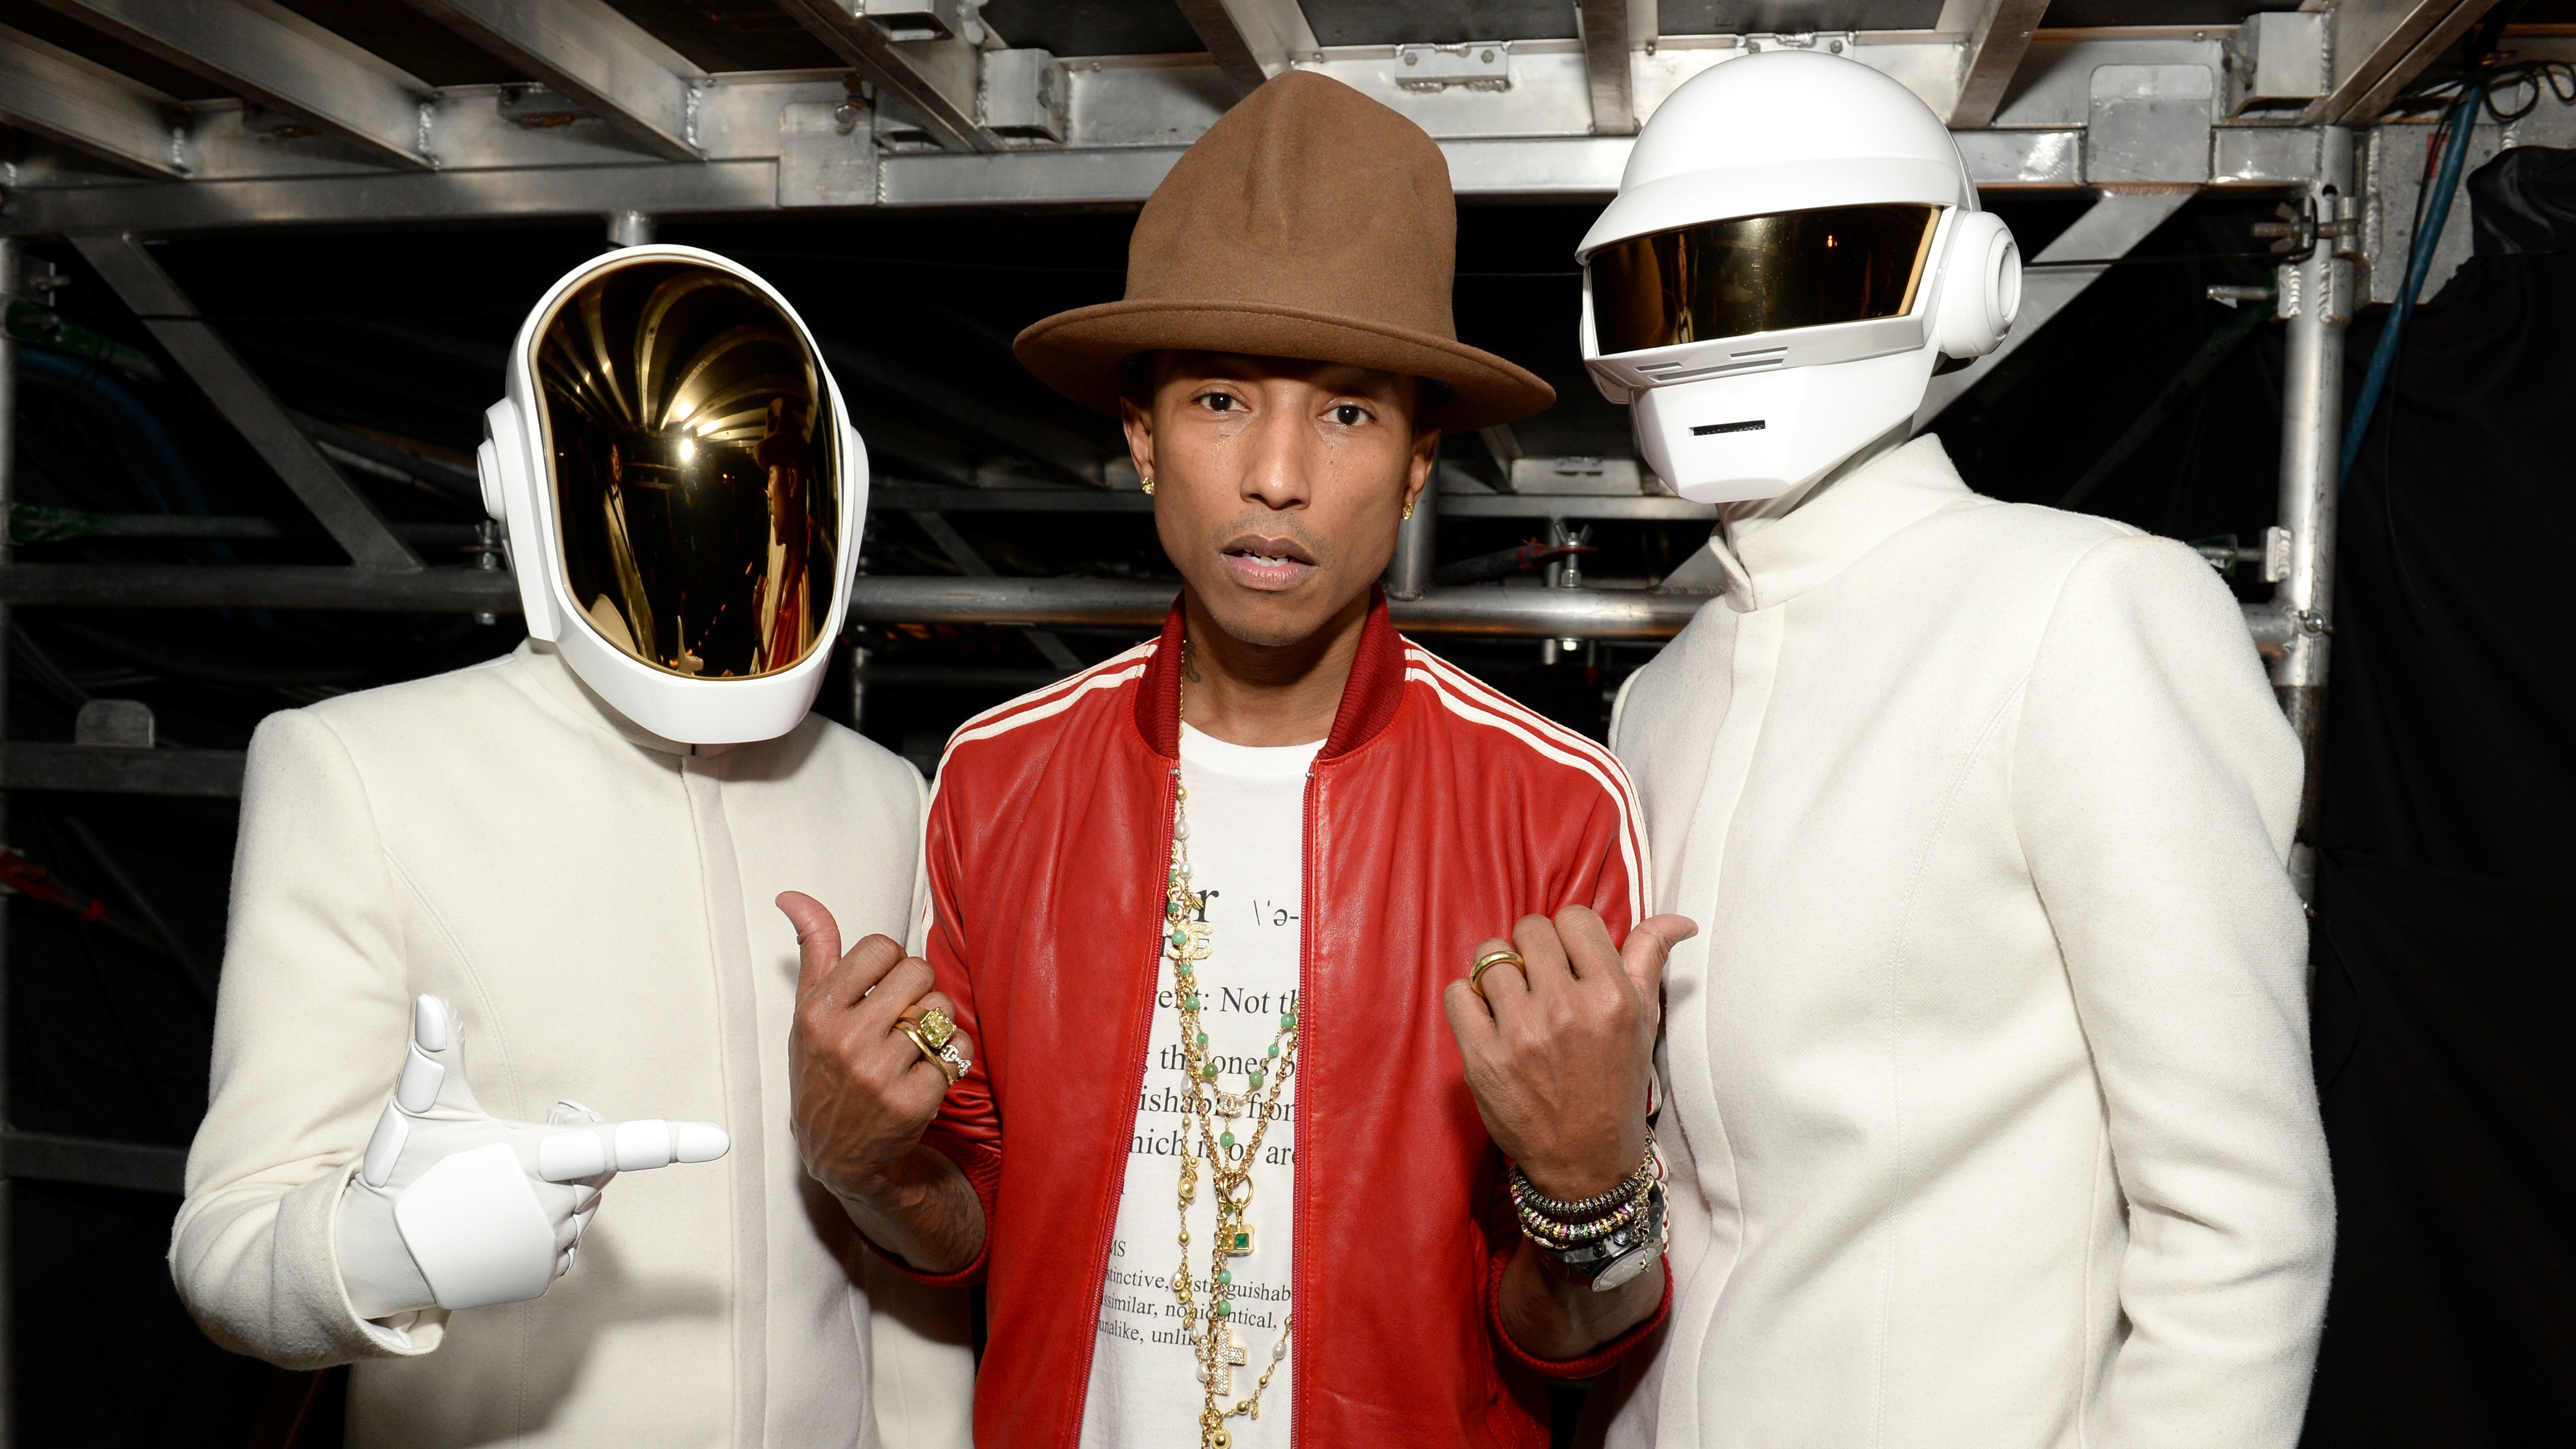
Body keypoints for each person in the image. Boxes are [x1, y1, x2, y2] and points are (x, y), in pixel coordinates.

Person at [779, 72, 1693, 1448]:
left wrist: (1588, 1190)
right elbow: (963, 1232)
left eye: (1346, 414)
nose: (1277, 474)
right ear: (1142, 436)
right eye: (1219, 399)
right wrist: (858, 1164)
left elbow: (1572, 1341)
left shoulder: (1553, 804)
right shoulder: (998, 775)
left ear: (1419, 460)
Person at [1575, 50, 2336, 1447]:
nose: (1730, 335)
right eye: (1682, 286)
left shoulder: (2088, 606)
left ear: (1966, 285)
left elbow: (2240, 1211)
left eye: (1793, 270)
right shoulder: (1662, 695)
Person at [171, 246, 971, 1448]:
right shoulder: (360, 769)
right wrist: (381, 1248)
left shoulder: (884, 796)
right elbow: (228, 1245)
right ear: (523, 494)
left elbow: (905, 1286)